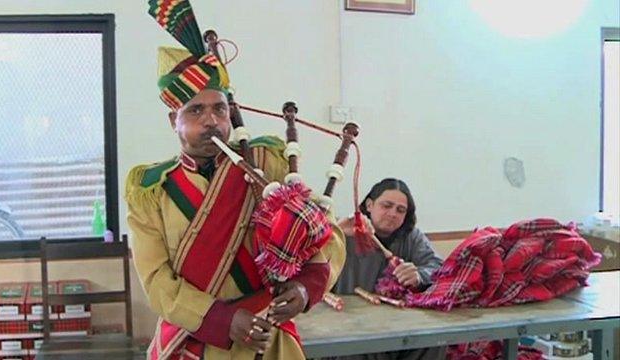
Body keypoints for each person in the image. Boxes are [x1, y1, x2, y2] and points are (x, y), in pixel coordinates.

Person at [125, 1, 345, 359]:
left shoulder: (267, 163)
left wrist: (307, 289)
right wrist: (222, 319)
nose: (211, 121)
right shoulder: (151, 190)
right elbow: (157, 283)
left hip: (270, 342)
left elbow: (325, 232)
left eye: (219, 109)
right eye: (195, 110)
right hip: (192, 343)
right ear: (173, 121)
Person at [332, 178, 445, 360]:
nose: (393, 214)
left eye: (400, 210)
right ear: (369, 205)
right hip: (350, 322)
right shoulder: (344, 232)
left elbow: (439, 268)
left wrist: (419, 274)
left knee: (435, 341)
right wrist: (333, 231)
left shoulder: (411, 237)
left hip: (395, 324)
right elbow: (306, 259)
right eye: (387, 205)